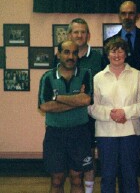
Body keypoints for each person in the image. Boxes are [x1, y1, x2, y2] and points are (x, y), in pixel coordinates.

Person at [53, 18, 103, 193]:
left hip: (89, 117)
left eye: (83, 32)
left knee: (87, 158)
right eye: (76, 32)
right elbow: (54, 92)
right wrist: (76, 99)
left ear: (88, 35)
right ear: (69, 35)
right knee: (63, 167)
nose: (79, 35)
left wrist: (83, 98)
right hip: (63, 118)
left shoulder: (99, 57)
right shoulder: (59, 58)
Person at [88, 37, 140, 193]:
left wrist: (124, 112)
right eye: (113, 51)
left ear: (126, 54)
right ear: (107, 55)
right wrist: (112, 115)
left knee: (130, 176)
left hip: (131, 133)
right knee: (107, 176)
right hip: (106, 134)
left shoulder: (137, 75)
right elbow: (91, 107)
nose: (117, 54)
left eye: (121, 50)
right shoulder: (98, 78)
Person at [38, 40, 94, 193]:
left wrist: (57, 98)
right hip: (55, 135)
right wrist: (76, 101)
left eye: (74, 53)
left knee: (77, 178)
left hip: (79, 134)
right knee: (57, 179)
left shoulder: (86, 73)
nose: (71, 56)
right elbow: (44, 106)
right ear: (58, 54)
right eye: (66, 52)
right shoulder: (47, 77)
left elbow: (86, 100)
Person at [103, 0, 140, 78]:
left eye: (131, 13)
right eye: (123, 13)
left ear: (137, 15)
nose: (127, 17)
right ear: (119, 16)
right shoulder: (108, 43)